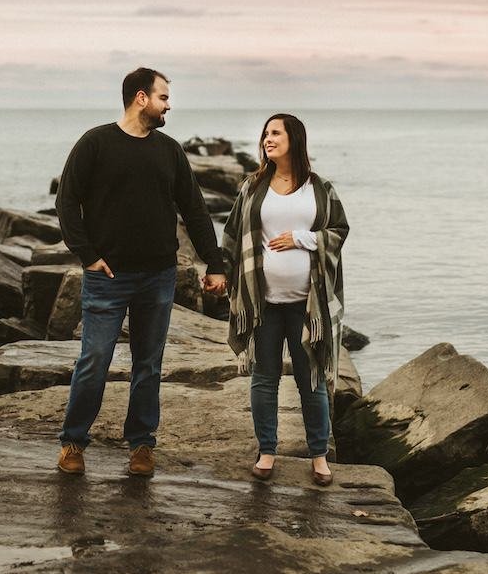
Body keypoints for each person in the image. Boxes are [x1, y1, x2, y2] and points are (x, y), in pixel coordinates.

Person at [54, 67, 227, 477]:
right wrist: (87, 255)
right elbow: (67, 201)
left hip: (158, 277)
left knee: (148, 364)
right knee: (94, 359)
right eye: (164, 97)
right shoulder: (95, 143)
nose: (169, 105)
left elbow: (196, 210)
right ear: (141, 98)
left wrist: (215, 263)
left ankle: (142, 446)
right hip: (107, 278)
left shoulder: (169, 150)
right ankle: (73, 442)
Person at [220, 113, 349, 486]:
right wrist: (219, 273)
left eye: (275, 133)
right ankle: (267, 451)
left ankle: (319, 456)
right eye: (264, 134)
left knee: (312, 379)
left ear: (294, 138)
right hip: (262, 304)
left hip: (308, 303)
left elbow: (338, 231)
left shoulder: (320, 188)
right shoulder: (252, 186)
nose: (267, 139)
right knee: (264, 378)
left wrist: (302, 238)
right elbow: (232, 236)